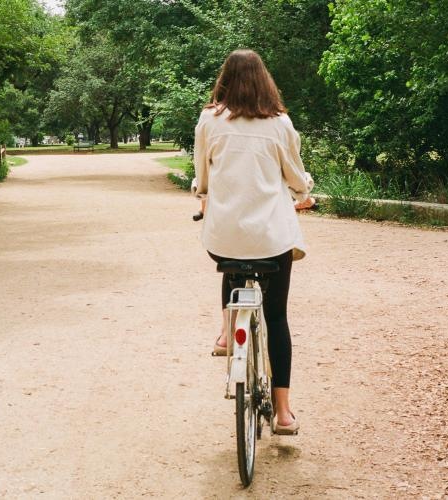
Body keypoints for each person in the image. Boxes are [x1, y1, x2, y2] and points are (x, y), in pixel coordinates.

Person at [193, 49, 313, 435]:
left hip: (223, 236)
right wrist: (304, 194)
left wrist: (203, 190)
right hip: (272, 238)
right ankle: (283, 413)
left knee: (232, 260)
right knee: (276, 316)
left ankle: (228, 332)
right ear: (265, 81)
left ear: (224, 80)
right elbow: (295, 176)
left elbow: (202, 174)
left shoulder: (209, 120)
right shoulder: (280, 123)